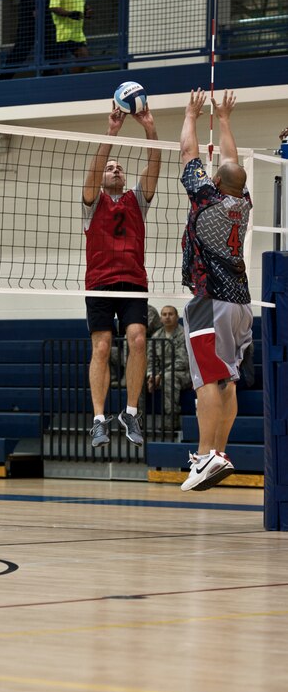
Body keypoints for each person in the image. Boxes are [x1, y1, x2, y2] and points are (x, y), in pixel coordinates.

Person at [179, 88, 252, 491]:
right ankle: (219, 453)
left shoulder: (206, 199)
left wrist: (191, 115)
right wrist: (223, 120)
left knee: (207, 379)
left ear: (215, 181)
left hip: (211, 301)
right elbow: (233, 165)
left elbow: (188, 155)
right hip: (242, 304)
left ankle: (206, 454)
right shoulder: (243, 202)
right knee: (228, 381)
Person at [83, 103, 161, 448]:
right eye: (110, 168)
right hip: (99, 282)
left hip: (133, 282)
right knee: (101, 348)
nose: (114, 170)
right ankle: (99, 419)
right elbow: (97, 165)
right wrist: (111, 132)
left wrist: (149, 128)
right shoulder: (91, 202)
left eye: (119, 168)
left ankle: (130, 411)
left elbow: (155, 163)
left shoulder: (136, 201)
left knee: (138, 338)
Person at [146, 305, 191, 429]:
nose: (167, 317)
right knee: (137, 380)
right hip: (160, 375)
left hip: (183, 375)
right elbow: (151, 360)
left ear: (177, 317)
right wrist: (151, 376)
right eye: (164, 314)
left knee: (168, 377)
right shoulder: (156, 336)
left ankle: (171, 420)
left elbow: (182, 362)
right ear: (160, 318)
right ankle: (137, 419)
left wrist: (159, 375)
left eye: (170, 314)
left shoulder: (183, 334)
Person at [49, 0, 89, 74]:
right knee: (58, 67)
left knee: (84, 59)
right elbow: (54, 7)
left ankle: (72, 82)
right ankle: (58, 87)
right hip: (62, 34)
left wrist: (86, 11)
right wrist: (71, 14)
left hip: (77, 33)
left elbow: (81, 6)